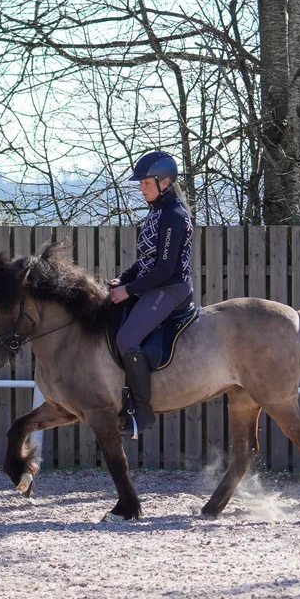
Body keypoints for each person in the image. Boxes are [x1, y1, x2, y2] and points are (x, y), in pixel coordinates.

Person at [108, 150, 195, 438]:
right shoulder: (156, 211)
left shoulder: (173, 216)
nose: (141, 187)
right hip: (153, 284)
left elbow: (165, 269)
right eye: (141, 183)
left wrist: (129, 290)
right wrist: (124, 278)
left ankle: (142, 412)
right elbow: (146, 260)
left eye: (146, 182)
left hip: (170, 288)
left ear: (165, 182)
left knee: (127, 337)